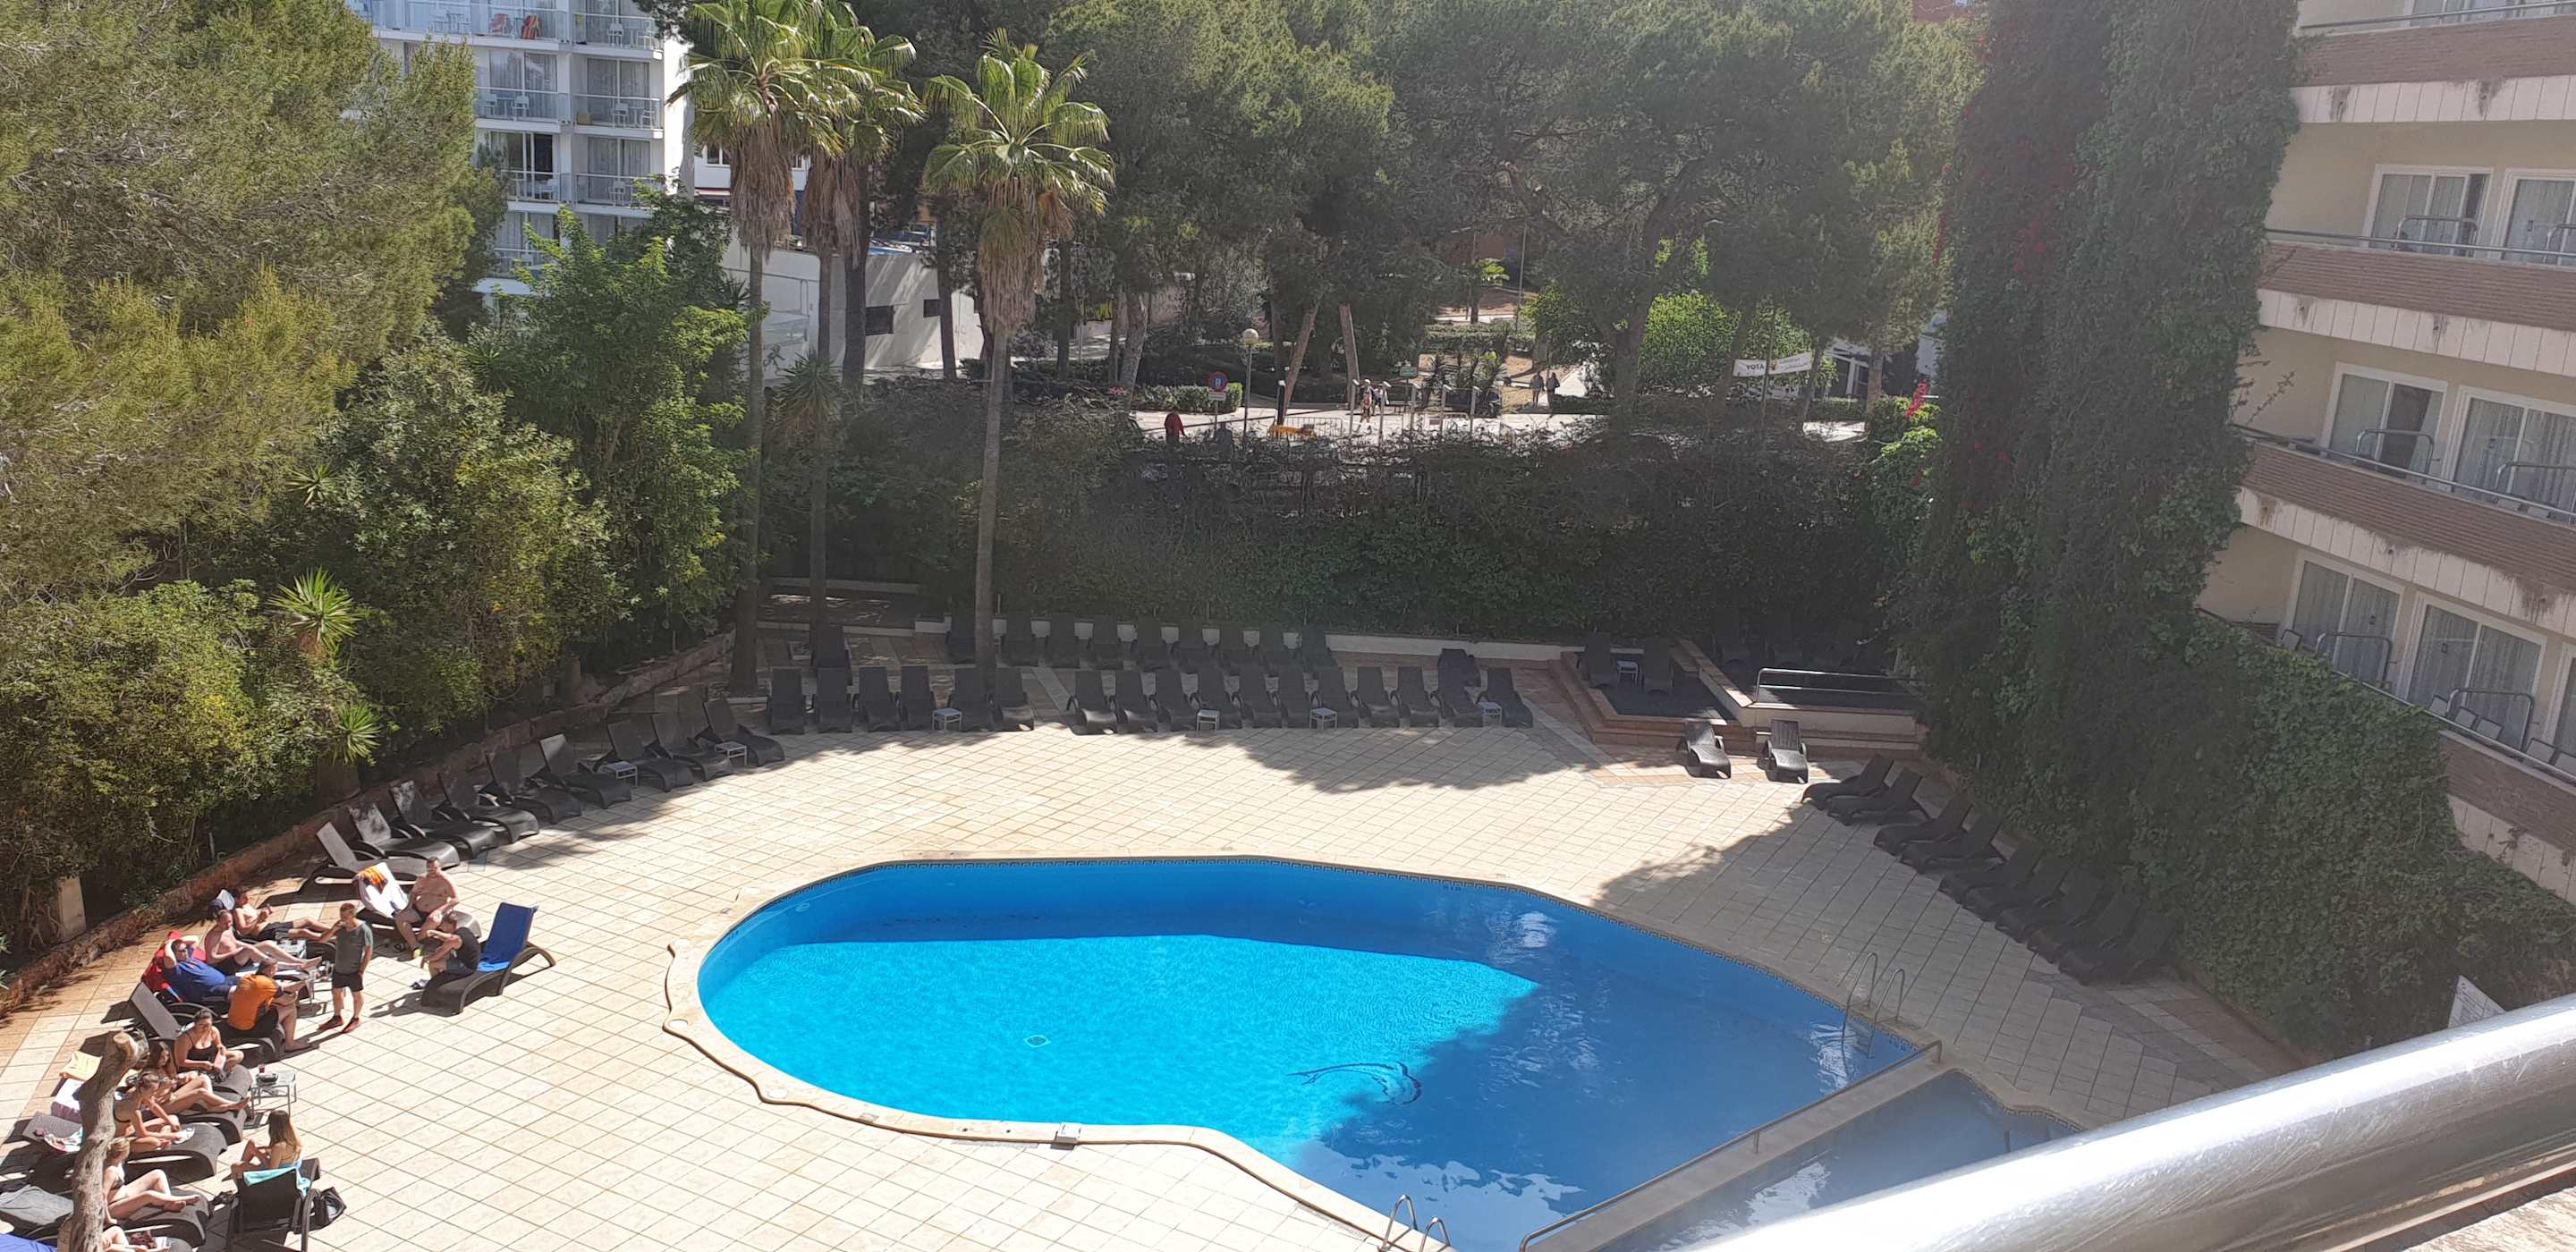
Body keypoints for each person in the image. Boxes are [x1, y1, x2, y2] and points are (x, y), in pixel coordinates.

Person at [314, 902, 373, 1036]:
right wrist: (333, 929)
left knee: (356, 994)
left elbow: (368, 952)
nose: (343, 918)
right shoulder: (340, 927)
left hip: (354, 969)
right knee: (336, 992)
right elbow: (322, 940)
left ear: (353, 915)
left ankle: (356, 1018)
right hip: (339, 967)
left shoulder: (363, 930)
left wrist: (362, 970)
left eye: (345, 916)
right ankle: (337, 1017)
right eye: (341, 915)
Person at [200, 911, 317, 977]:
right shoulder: (212, 937)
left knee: (267, 944)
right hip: (226, 965)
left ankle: (299, 961)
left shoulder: (227, 929)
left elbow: (235, 942)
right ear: (217, 921)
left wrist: (246, 946)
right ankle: (291, 966)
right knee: (250, 950)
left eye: (230, 922)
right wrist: (235, 952)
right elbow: (211, 959)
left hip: (238, 957)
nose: (228, 925)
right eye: (225, 923)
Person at [102, 1141, 196, 1222]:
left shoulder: (118, 1163)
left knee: (157, 1173)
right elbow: (102, 1197)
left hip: (124, 1194)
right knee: (148, 1195)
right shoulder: (110, 1171)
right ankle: (178, 1199)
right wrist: (108, 1220)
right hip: (114, 1208)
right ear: (122, 1153)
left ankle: (168, 1203)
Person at [226, 962, 301, 1053]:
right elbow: (288, 1001)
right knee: (290, 1007)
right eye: (276, 969)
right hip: (249, 1030)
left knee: (274, 1004)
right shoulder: (268, 983)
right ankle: (290, 1044)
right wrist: (296, 994)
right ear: (271, 970)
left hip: (232, 1026)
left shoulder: (247, 978)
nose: (277, 971)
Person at [394, 860, 457, 952]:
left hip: (436, 911)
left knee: (433, 920)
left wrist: (439, 910)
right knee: (400, 917)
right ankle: (414, 945)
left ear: (440, 867)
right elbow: (414, 893)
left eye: (435, 868)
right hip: (419, 909)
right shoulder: (422, 879)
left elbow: (456, 899)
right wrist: (409, 906)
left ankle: (409, 944)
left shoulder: (447, 880)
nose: (432, 871)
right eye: (429, 869)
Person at [158, 937, 234, 1009]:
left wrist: (175, 940)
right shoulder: (175, 969)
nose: (186, 951)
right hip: (211, 992)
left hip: (225, 979)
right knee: (239, 992)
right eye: (182, 951)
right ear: (174, 954)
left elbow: (195, 939)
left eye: (186, 948)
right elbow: (168, 958)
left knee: (242, 980)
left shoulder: (189, 957)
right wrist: (168, 944)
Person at [415, 910, 483, 990]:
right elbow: (449, 936)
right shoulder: (462, 929)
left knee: (433, 964)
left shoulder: (453, 940)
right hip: (471, 960)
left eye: (442, 925)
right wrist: (435, 932)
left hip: (467, 967)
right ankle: (440, 978)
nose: (440, 927)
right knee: (442, 954)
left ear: (449, 925)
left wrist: (425, 959)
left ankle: (434, 986)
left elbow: (437, 955)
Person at [170, 1008, 242, 1080]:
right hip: (194, 1066)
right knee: (191, 1077)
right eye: (201, 1025)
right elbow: (180, 1062)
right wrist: (202, 1064)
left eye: (208, 1025)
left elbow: (219, 1044)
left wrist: (221, 1048)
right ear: (195, 1024)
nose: (205, 1028)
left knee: (238, 1055)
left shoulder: (213, 1031)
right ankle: (210, 1076)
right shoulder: (185, 1039)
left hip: (210, 1061)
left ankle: (219, 1073)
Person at [230, 1112, 302, 1180]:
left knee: (235, 1166)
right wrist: (268, 1149)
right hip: (286, 1166)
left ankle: (242, 1178)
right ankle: (243, 1170)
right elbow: (284, 1154)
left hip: (278, 1175)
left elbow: (271, 1171)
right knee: (251, 1143)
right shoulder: (293, 1137)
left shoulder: (279, 1146)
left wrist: (260, 1155)